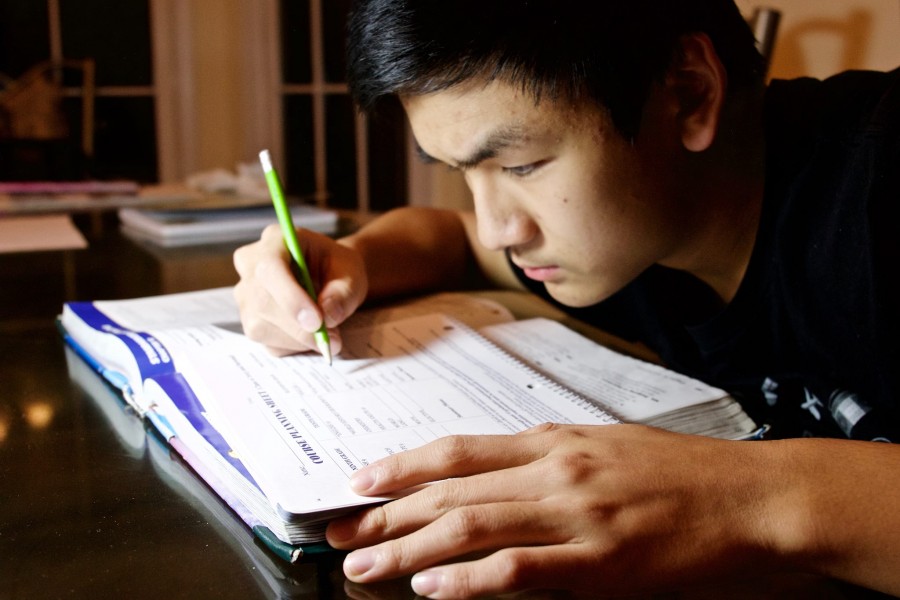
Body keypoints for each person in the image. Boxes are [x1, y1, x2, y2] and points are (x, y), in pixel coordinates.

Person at [233, 0, 900, 597]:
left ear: (689, 94)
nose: (502, 226)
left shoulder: (875, 176)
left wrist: (746, 498)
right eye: (463, 171)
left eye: (521, 167)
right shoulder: (630, 229)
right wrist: (351, 261)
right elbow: (456, 239)